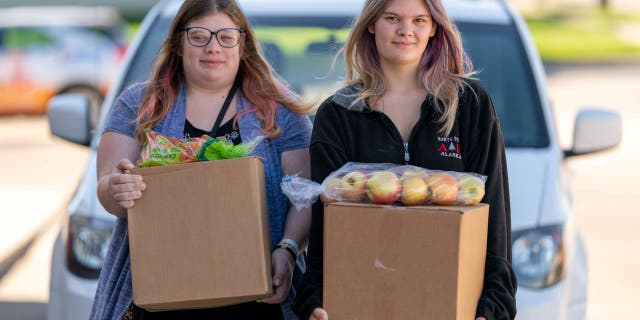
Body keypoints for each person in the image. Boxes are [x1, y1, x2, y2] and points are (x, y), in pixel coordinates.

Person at [292, 0, 517, 319]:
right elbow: (326, 227)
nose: (405, 30)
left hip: (450, 306)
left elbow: (494, 220)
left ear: (434, 27)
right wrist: (314, 301)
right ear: (371, 23)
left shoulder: (469, 105)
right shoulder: (339, 114)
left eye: (419, 20)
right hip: (363, 305)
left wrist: (491, 310)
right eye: (392, 18)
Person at [90, 1, 314, 319]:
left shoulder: (279, 112)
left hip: (253, 299)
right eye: (199, 36)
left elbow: (304, 194)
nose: (213, 48)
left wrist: (289, 249)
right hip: (161, 296)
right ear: (179, 43)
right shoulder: (139, 104)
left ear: (243, 45)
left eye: (226, 37)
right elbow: (106, 188)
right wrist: (117, 187)